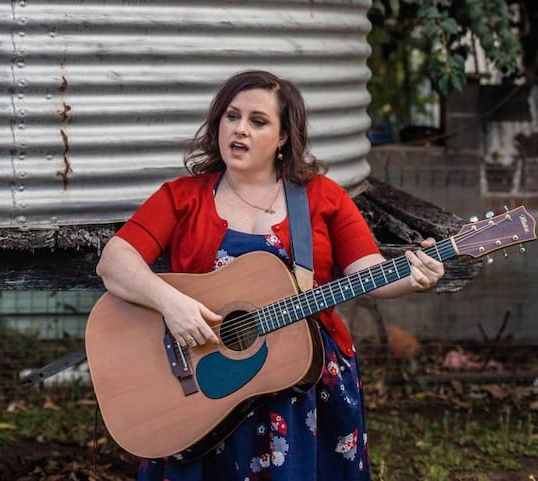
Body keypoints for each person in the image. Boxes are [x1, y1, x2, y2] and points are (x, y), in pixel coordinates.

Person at [95, 70, 445, 481]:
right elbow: (115, 261)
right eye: (231, 116)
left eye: (257, 121)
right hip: (200, 387)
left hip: (300, 380)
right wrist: (172, 304)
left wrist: (413, 275)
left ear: (283, 137)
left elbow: (367, 271)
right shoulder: (183, 196)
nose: (239, 130)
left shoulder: (322, 197)